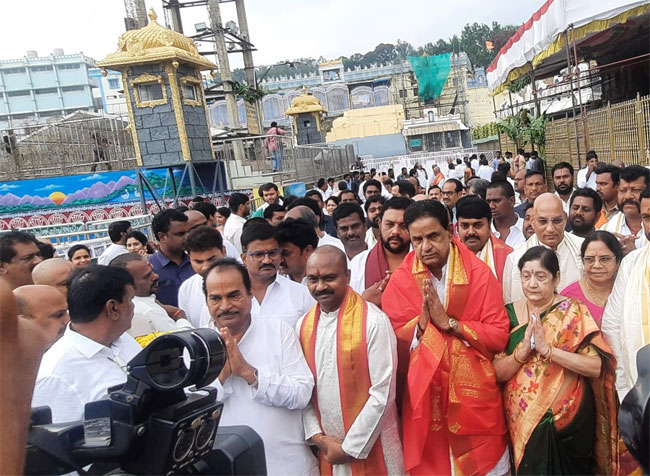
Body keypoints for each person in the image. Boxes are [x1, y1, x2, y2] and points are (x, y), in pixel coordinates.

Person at [381, 200, 510, 476]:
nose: (425, 247)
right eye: (417, 240)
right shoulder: (402, 280)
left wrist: (452, 325)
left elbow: (499, 334)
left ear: (450, 232)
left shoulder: (479, 274)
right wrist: (420, 327)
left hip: (474, 399)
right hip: (427, 401)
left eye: (433, 236)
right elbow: (392, 342)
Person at [493, 246, 618, 475]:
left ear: (556, 278)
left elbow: (595, 367)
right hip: (522, 424)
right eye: (526, 276)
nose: (532, 284)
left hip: (570, 424)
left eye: (541, 277)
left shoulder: (573, 312)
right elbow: (497, 373)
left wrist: (548, 351)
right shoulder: (507, 315)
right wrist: (522, 353)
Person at [203, 259, 317, 475]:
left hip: (288, 466)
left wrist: (250, 374)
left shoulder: (278, 332)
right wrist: (221, 378)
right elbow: (189, 413)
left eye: (234, 295)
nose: (225, 306)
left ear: (250, 294)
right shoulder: (196, 347)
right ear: (206, 302)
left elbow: (302, 394)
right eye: (215, 298)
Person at [298, 246, 404, 475]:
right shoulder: (303, 326)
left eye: (329, 278)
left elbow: (383, 394)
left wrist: (348, 448)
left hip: (374, 448)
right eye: (313, 279)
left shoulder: (373, 322)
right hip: (328, 450)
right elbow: (304, 389)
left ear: (347, 275)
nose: (320, 286)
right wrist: (318, 437)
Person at [31, 265, 141, 423]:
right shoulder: (56, 375)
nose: (133, 307)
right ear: (113, 308)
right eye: (130, 300)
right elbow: (56, 436)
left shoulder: (123, 339)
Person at [601, 186, 650, 400]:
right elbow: (612, 325)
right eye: (647, 217)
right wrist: (623, 387)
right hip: (639, 390)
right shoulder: (632, 263)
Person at [504, 193, 585, 303]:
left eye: (557, 221)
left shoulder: (583, 249)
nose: (550, 229)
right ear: (533, 222)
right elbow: (511, 306)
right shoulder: (515, 259)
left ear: (565, 219)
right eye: (543, 221)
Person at [241, 221, 315, 326]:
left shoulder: (302, 295)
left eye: (272, 253)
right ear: (244, 258)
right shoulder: (231, 295)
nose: (267, 260)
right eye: (259, 255)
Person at [110, 253, 192, 343]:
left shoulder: (127, 306)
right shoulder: (149, 311)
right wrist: (180, 317)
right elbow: (184, 339)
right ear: (128, 286)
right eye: (147, 276)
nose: (155, 276)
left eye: (152, 270)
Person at [350, 197, 412, 303]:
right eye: (389, 224)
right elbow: (347, 307)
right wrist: (364, 302)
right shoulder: (359, 263)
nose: (395, 231)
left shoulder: (423, 261)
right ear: (380, 224)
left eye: (403, 226)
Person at [560, 230, 622, 327]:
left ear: (618, 261)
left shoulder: (629, 292)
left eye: (605, 259)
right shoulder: (568, 297)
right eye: (589, 259)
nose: (597, 265)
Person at [456, 195, 513, 283]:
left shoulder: (508, 256)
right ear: (457, 227)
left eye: (477, 225)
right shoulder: (448, 255)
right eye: (465, 226)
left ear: (489, 224)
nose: (471, 232)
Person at [178, 225, 225, 328]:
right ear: (190, 259)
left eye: (212, 259)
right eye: (198, 262)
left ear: (223, 252)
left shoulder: (243, 281)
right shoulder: (186, 289)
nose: (205, 267)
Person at [148, 209, 194, 307]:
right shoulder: (148, 269)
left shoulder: (198, 262)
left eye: (188, 232)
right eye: (181, 234)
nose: (187, 237)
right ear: (162, 237)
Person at [602, 165, 650, 253]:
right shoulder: (607, 230)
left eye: (636, 190)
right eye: (623, 190)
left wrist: (633, 255)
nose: (628, 196)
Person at [276, 218, 319, 285]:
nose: (280, 259)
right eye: (277, 253)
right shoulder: (272, 282)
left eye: (286, 253)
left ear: (308, 251)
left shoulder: (325, 282)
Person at [487, 180, 525, 249]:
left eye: (496, 201)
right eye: (488, 201)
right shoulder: (484, 231)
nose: (491, 206)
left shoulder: (526, 227)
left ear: (512, 201)